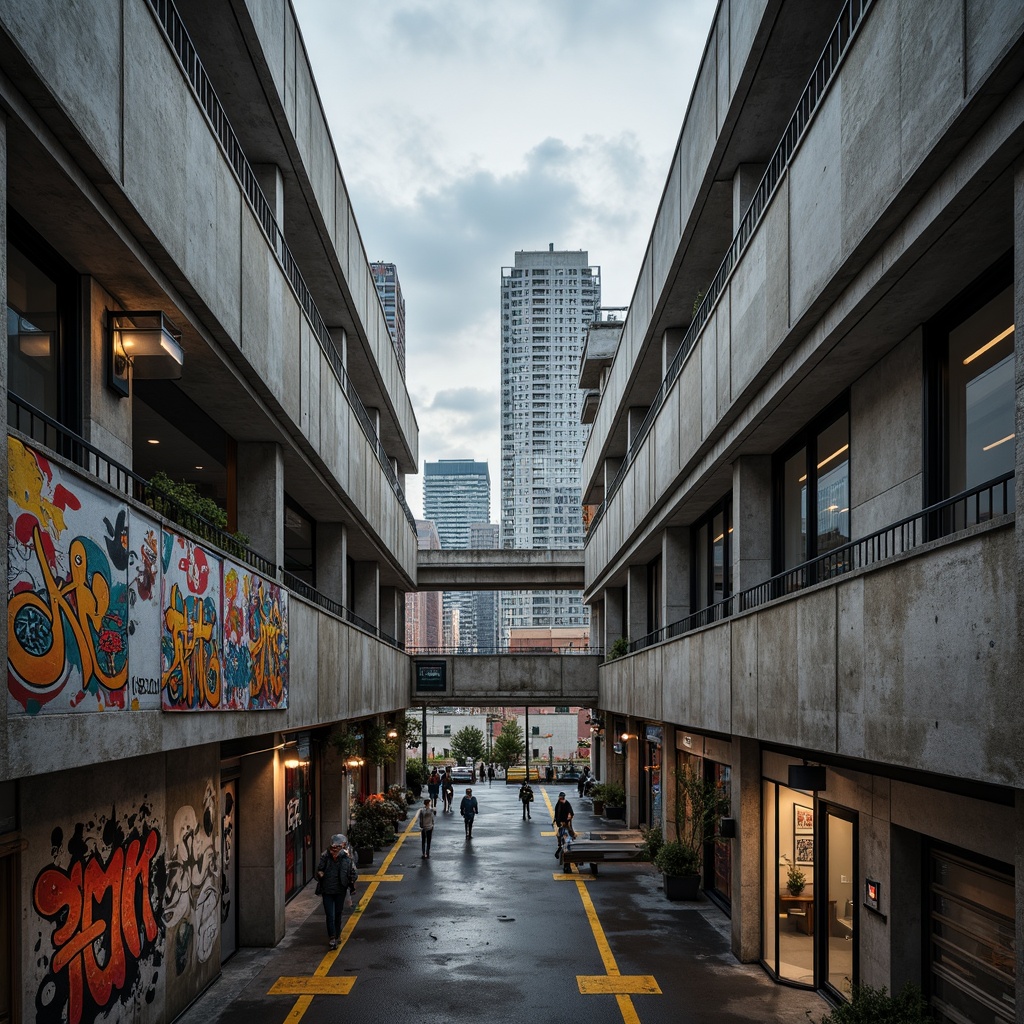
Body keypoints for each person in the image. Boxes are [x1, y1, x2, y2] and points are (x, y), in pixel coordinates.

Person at [315, 833, 358, 949]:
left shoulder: (347, 858)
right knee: (330, 915)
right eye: (334, 847)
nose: (335, 850)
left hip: (340, 890)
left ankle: (337, 934)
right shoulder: (325, 856)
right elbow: (319, 870)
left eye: (338, 847)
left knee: (338, 913)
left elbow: (353, 872)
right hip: (327, 890)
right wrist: (320, 874)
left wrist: (352, 880)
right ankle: (332, 937)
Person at [552, 792, 574, 858]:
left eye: (561, 797)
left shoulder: (567, 803)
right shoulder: (558, 804)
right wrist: (556, 820)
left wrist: (569, 815)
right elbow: (556, 813)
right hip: (561, 823)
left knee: (567, 836)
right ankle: (560, 845)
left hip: (566, 823)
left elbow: (570, 811)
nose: (560, 798)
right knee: (559, 835)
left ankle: (564, 848)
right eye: (560, 797)